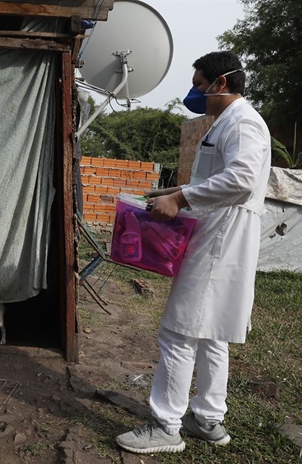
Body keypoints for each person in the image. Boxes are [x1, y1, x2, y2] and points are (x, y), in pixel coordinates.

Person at [116, 51, 271, 454]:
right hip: (222, 231)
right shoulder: (228, 122)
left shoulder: (242, 122)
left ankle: (165, 427)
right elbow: (219, 177)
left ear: (221, 83)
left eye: (200, 85)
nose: (196, 92)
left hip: (221, 236)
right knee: (212, 333)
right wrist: (170, 192)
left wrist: (182, 197)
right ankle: (207, 419)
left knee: (179, 331)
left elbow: (242, 178)